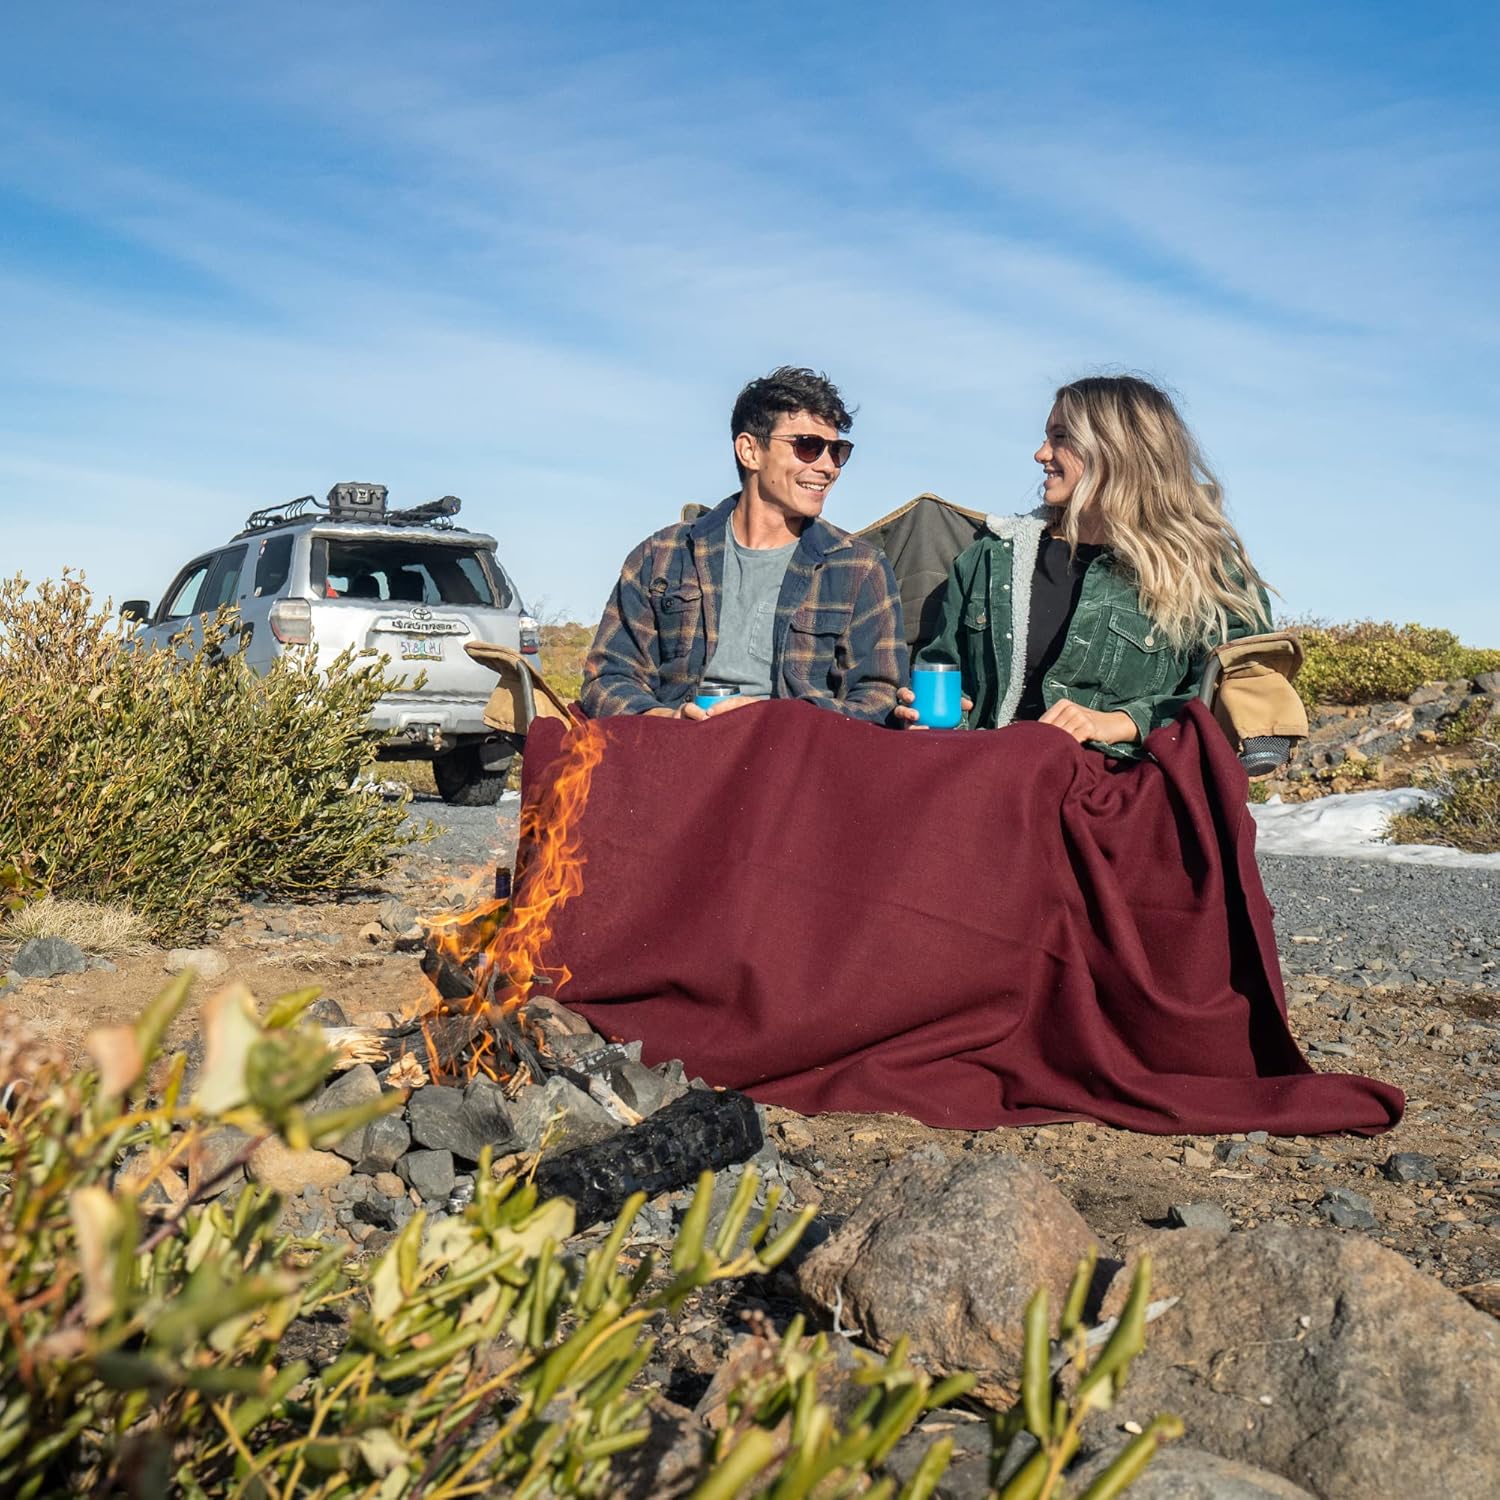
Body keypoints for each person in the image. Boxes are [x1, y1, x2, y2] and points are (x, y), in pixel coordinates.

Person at [898, 375, 1271, 757]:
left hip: (1125, 779)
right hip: (996, 771)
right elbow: (944, 672)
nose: (1041, 454)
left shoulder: (1204, 567)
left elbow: (1236, 690)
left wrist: (1120, 723)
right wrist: (931, 719)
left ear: (1114, 449)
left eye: (1060, 437)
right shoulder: (990, 558)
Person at [581, 366, 907, 721]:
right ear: (749, 451)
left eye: (837, 451)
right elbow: (608, 678)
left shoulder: (859, 568)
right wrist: (665, 720)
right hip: (680, 744)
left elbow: (880, 697)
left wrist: (779, 720)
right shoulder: (661, 556)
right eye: (808, 446)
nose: (829, 467)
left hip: (798, 751)